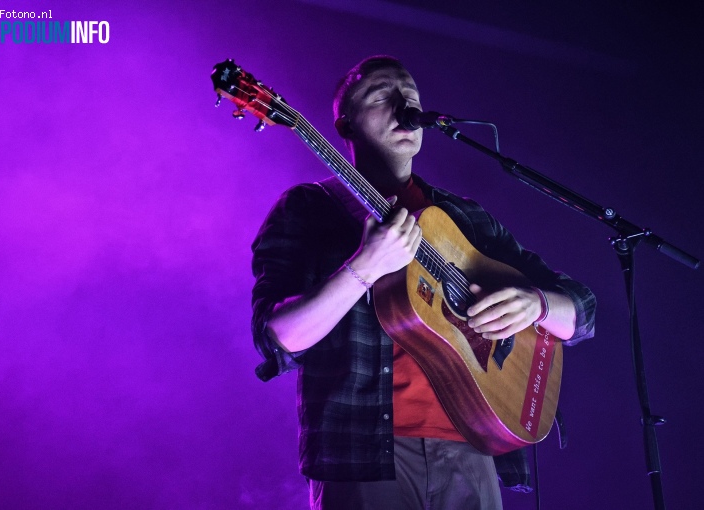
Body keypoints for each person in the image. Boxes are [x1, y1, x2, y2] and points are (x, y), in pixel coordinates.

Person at [250, 56, 596, 510]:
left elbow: (583, 309)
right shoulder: (309, 207)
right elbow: (277, 339)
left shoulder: (466, 218)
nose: (403, 105)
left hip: (476, 450)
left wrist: (536, 305)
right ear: (345, 123)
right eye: (381, 95)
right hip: (364, 455)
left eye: (410, 97)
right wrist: (364, 267)